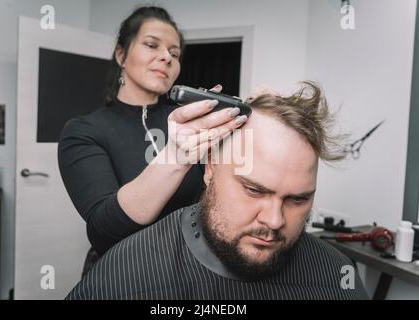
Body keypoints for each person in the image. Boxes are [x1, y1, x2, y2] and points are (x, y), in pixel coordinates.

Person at [66, 82, 369, 300]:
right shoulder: (129, 275)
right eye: (253, 189)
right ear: (209, 169)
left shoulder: (337, 275)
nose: (275, 221)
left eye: (298, 199)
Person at [58, 6, 248, 272]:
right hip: (122, 273)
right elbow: (104, 231)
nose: (166, 58)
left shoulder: (192, 122)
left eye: (174, 53)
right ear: (121, 55)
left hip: (191, 269)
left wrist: (257, 116)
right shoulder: (84, 131)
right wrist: (174, 157)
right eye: (151, 45)